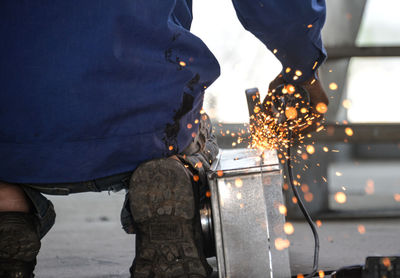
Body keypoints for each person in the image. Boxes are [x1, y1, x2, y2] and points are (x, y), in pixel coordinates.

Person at [0, 1, 328, 277]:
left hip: (10, 121)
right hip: (146, 112)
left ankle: (7, 208)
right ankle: (171, 173)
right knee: (180, 131)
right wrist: (302, 67)